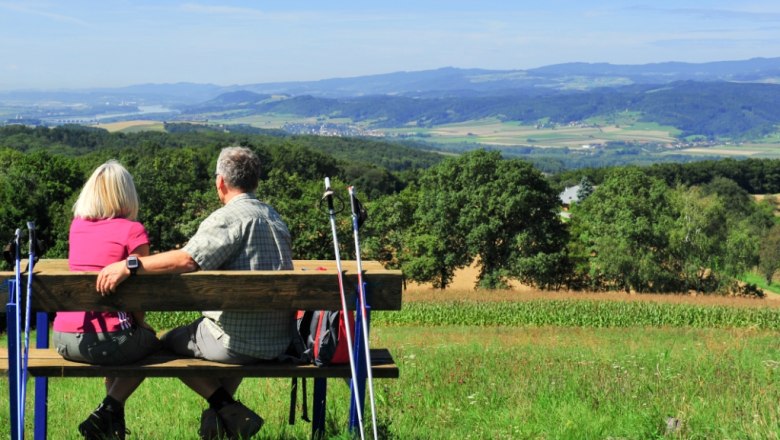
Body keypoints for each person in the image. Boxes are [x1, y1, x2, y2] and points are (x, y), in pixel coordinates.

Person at [97, 146, 294, 439]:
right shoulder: (274, 217)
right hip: (278, 340)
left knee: (163, 344)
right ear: (255, 181)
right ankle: (221, 422)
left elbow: (187, 259)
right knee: (237, 327)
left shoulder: (227, 219)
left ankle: (223, 406)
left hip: (234, 343)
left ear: (220, 183)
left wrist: (131, 264)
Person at [53, 160, 161, 440]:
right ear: (127, 194)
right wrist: (142, 324)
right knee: (154, 349)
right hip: (104, 342)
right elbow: (140, 293)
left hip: (63, 339)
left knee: (123, 348)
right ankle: (105, 412)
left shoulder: (77, 226)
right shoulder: (131, 230)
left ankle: (112, 429)